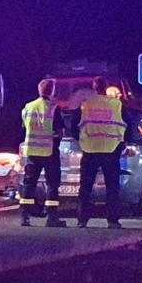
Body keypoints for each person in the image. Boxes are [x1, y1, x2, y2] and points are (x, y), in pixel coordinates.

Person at [74, 76, 129, 229]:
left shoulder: (85, 105)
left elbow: (74, 125)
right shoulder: (117, 105)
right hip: (111, 150)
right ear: (106, 87)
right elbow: (128, 125)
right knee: (112, 187)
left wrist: (81, 140)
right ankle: (112, 220)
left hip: (90, 149)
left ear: (94, 86)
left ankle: (82, 220)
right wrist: (123, 143)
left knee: (85, 187)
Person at [19, 79, 67, 227]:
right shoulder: (53, 108)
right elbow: (60, 131)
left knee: (29, 184)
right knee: (52, 184)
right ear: (52, 91)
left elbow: (24, 126)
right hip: (49, 150)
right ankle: (52, 218)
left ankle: (25, 217)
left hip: (32, 151)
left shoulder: (28, 107)